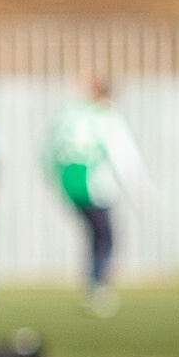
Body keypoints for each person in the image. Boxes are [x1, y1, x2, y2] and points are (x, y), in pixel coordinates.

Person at [47, 73, 144, 316]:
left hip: (72, 186)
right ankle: (98, 285)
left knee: (94, 236)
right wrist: (140, 191)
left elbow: (51, 148)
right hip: (95, 187)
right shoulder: (105, 117)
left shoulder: (71, 114)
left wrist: (57, 180)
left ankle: (93, 282)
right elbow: (124, 158)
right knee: (105, 238)